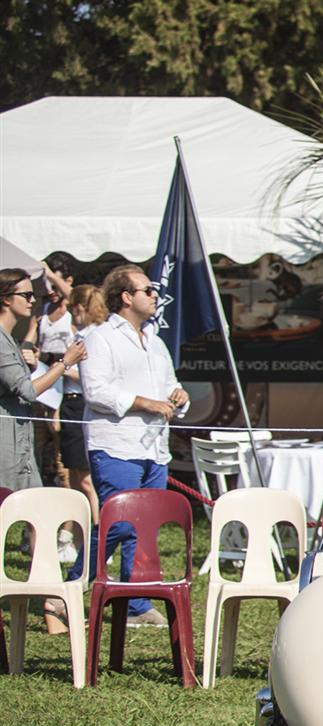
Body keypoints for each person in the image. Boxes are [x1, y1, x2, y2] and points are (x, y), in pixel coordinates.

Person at [80, 263, 188, 626]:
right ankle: (69, 585)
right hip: (116, 444)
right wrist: (145, 402)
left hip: (154, 447)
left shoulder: (154, 341)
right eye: (148, 291)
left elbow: (170, 382)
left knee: (145, 525)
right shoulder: (100, 338)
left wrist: (178, 395)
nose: (155, 296)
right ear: (126, 297)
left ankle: (135, 603)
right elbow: (96, 391)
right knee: (120, 525)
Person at [2, 267, 89, 491]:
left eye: (35, 296)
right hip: (6, 444)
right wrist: (65, 362)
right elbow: (27, 391)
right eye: (26, 295)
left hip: (19, 438)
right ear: (5, 299)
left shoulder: (9, 339)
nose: (33, 301)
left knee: (34, 508)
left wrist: (29, 367)